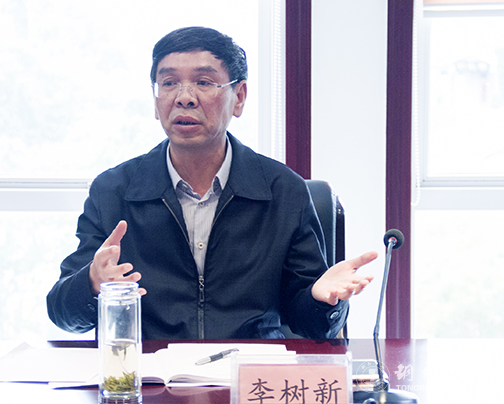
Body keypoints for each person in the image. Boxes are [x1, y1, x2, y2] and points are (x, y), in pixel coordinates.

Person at [47, 26, 376, 339]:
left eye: (203, 82)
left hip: (250, 369)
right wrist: (90, 283)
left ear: (239, 97)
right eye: (169, 83)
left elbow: (313, 326)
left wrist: (323, 299)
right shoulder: (113, 192)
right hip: (151, 371)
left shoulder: (283, 190)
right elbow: (62, 313)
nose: (184, 98)